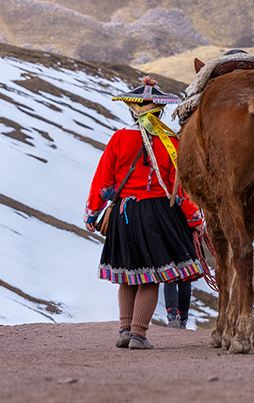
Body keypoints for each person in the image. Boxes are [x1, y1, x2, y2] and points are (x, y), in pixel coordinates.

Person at [85, 76, 204, 350]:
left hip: (123, 214)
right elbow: (180, 189)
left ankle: (124, 331)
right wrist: (195, 220)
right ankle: (138, 334)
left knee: (128, 273)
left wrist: (93, 213)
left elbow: (103, 181)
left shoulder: (118, 139)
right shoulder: (170, 143)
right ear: (159, 111)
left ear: (132, 110)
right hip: (157, 215)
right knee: (151, 275)